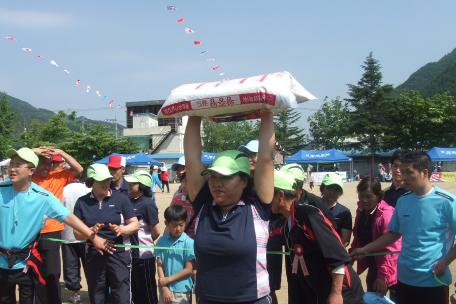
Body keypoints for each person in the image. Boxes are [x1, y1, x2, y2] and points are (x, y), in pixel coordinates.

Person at [184, 111, 275, 303]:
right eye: (214, 176)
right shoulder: (203, 204)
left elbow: (265, 158)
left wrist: (266, 112)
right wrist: (193, 113)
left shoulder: (258, 205)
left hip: (252, 300)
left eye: (225, 177)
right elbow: (191, 158)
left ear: (243, 180)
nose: (217, 183)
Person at [0, 148, 110, 304]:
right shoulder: (2, 189)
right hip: (2, 263)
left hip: (26, 263)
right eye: (12, 164)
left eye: (18, 165)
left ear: (31, 170)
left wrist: (94, 237)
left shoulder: (43, 197)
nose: (12, 168)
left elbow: (68, 217)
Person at [351, 151, 456, 304]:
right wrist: (364, 250)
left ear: (424, 173)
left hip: (433, 279)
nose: (403, 176)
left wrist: (445, 262)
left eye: (408, 172)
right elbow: (393, 233)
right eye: (402, 171)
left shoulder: (447, 202)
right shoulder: (403, 201)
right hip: (404, 278)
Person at [270, 170, 364, 304]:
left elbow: (338, 255)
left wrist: (336, 293)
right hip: (320, 290)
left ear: (280, 195)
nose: (265, 199)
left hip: (344, 293)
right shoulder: (287, 223)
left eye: (269, 194)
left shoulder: (308, 215)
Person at [73, 163, 140, 304]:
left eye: (108, 179)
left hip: (119, 251)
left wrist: (122, 230)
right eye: (101, 180)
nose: (106, 183)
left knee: (121, 293)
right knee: (97, 292)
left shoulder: (120, 198)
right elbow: (76, 234)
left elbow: (135, 224)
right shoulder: (82, 202)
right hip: (94, 252)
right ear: (91, 181)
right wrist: (90, 232)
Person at [32, 147, 83, 304]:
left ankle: (54, 300)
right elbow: (17, 160)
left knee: (52, 272)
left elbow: (79, 169)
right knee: (34, 270)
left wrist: (61, 152)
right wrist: (35, 151)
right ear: (35, 164)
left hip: (52, 232)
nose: (47, 167)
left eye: (50, 163)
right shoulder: (29, 177)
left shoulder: (59, 177)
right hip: (31, 231)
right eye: (44, 163)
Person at [350, 178, 401, 300]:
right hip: (374, 264)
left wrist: (383, 276)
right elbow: (358, 236)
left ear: (379, 196)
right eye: (361, 196)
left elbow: (391, 250)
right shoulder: (361, 211)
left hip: (392, 268)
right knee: (373, 298)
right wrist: (351, 254)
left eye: (368, 196)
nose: (364, 200)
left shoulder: (386, 215)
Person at [124, 170, 161, 304]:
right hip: (130, 254)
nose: (129, 185)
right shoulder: (127, 201)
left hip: (144, 256)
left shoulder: (147, 203)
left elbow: (156, 231)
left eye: (133, 183)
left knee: (147, 290)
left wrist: (143, 242)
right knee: (134, 289)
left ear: (142, 186)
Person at [156, 205, 195, 304]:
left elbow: (189, 269)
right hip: (165, 289)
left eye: (181, 225)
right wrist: (164, 287)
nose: (178, 229)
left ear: (185, 222)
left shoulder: (189, 242)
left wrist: (167, 280)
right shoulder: (161, 241)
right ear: (166, 224)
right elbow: (159, 264)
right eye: (174, 225)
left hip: (182, 290)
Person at [61, 178, 91, 304]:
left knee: (70, 266)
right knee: (90, 265)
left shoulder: (63, 190)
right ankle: (94, 292)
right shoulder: (87, 189)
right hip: (85, 233)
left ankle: (75, 294)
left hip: (67, 234)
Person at [320, 173, 352, 246]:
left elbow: (345, 240)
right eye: (329, 188)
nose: (333, 192)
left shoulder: (344, 212)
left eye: (337, 189)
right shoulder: (313, 207)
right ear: (322, 188)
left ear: (340, 192)